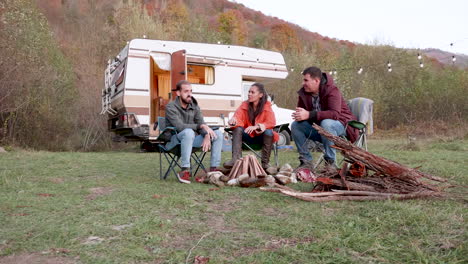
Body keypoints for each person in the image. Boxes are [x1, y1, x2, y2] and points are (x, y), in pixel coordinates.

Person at [291, 66, 358, 167]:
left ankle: (330, 162)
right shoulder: (304, 93)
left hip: (342, 126)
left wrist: (309, 114)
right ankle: (306, 162)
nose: (303, 83)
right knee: (296, 125)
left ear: (316, 81)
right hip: (320, 129)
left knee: (326, 123)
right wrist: (300, 115)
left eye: (306, 80)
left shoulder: (332, 90)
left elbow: (334, 114)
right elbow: (303, 114)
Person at [165, 80, 223, 184]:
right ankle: (184, 170)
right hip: (175, 142)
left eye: (191, 91)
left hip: (192, 142)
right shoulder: (171, 107)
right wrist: (200, 126)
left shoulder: (194, 106)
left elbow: (202, 124)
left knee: (217, 134)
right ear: (178, 93)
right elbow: (179, 126)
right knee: (188, 132)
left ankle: (214, 170)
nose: (189, 94)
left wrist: (206, 135)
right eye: (186, 91)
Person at [223, 83, 279, 170]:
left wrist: (257, 127)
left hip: (261, 138)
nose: (249, 94)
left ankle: (265, 164)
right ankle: (235, 160)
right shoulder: (244, 104)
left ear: (260, 95)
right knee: (237, 129)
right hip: (247, 136)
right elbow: (237, 117)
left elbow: (271, 122)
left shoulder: (266, 106)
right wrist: (233, 121)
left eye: (252, 92)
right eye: (249, 92)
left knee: (269, 131)